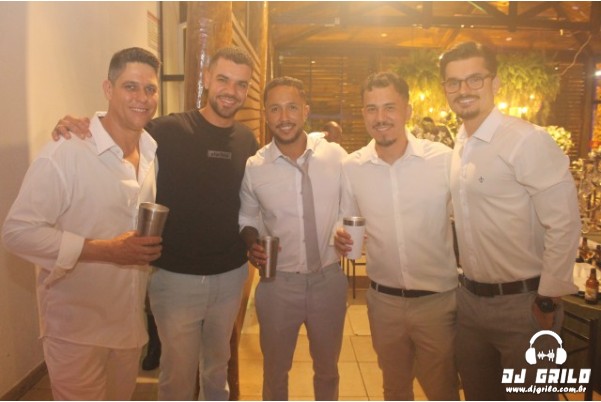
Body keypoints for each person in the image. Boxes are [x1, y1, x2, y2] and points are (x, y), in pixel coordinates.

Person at [51, 46, 258, 401]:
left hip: (230, 275)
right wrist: (78, 125)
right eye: (223, 79)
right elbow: (119, 126)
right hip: (175, 279)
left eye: (241, 84)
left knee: (217, 366)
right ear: (207, 78)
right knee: (177, 374)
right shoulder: (167, 131)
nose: (231, 91)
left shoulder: (246, 140)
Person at [2, 47, 163, 400]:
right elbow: (17, 233)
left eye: (150, 89)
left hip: (128, 326)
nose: (142, 97)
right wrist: (106, 250)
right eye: (130, 86)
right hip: (77, 330)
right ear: (108, 89)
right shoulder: (67, 152)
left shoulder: (151, 151)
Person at [439, 41, 581, 400]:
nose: (464, 89)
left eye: (474, 79)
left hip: (524, 304)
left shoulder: (525, 140)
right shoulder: (461, 144)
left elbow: (564, 222)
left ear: (496, 83)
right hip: (471, 303)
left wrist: (547, 299)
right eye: (453, 82)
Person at [334, 72, 460, 401]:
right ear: (363, 114)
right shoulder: (353, 167)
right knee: (394, 389)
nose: (381, 117)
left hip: (437, 302)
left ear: (408, 110)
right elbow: (346, 219)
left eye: (389, 107)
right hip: (384, 302)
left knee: (442, 390)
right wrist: (339, 235)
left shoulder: (442, 160)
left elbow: (470, 219)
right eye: (371, 109)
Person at [239, 76, 348, 400]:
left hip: (328, 280)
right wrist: (251, 242)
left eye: (291, 108)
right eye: (275, 109)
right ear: (265, 114)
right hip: (277, 284)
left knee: (328, 370)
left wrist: (342, 228)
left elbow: (349, 205)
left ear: (305, 111)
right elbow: (247, 217)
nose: (284, 117)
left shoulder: (335, 156)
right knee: (275, 373)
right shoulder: (256, 166)